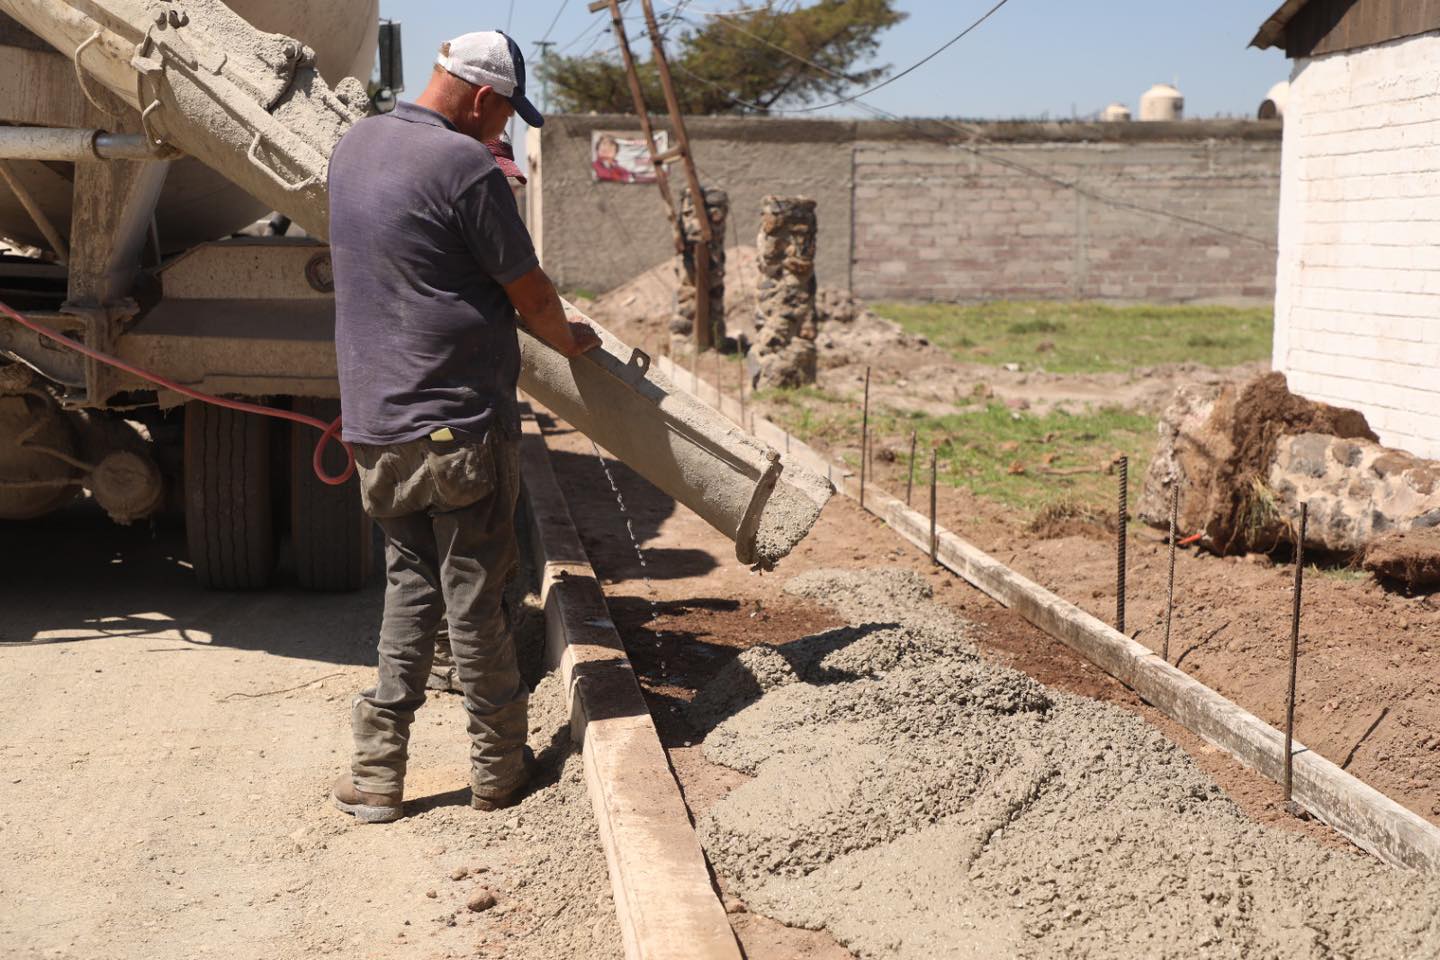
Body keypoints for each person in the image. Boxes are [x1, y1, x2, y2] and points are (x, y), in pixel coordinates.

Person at [326, 30, 600, 824]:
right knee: (478, 596)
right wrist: (572, 339)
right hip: (458, 428)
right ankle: (498, 772)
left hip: (376, 425)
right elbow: (531, 293)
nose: (504, 128)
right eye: (507, 111)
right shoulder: (467, 167)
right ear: (483, 97)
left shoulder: (355, 145)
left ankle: (378, 775)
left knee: (410, 585)